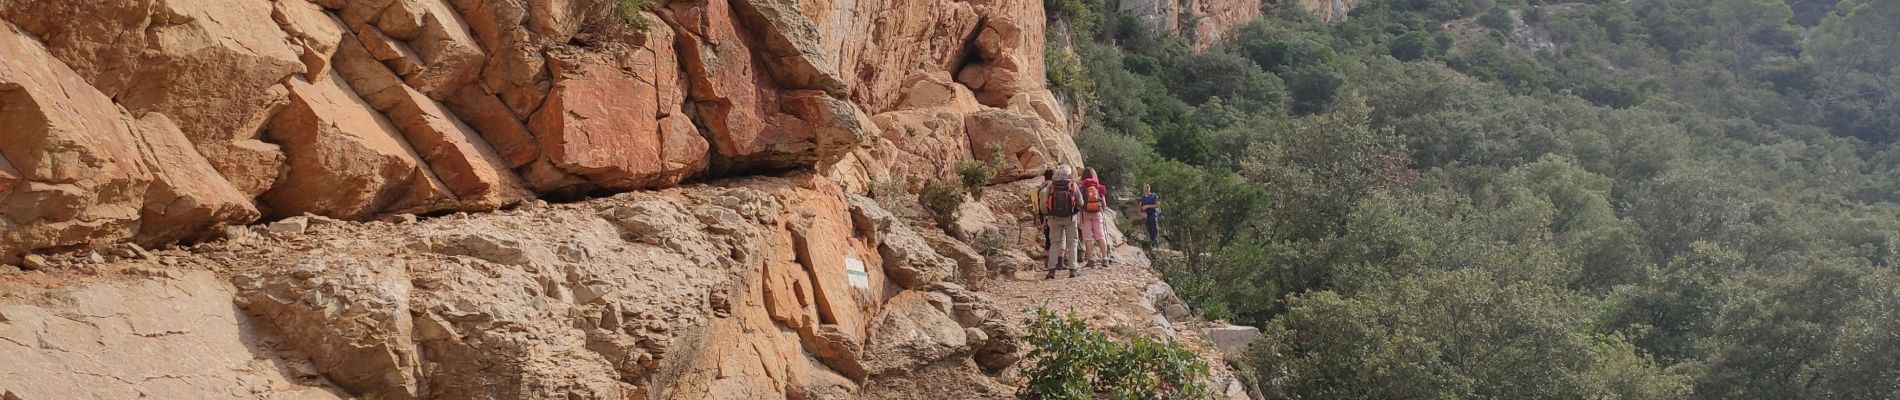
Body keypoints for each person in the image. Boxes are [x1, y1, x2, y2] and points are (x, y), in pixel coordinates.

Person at [1042, 165, 1083, 279]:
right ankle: (1073, 270)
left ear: (1058, 174)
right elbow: (1081, 202)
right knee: (1072, 243)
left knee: (1054, 243)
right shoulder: (1072, 185)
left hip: (1054, 218)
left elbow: (1046, 201)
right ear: (1069, 174)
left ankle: (1051, 271)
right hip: (1070, 218)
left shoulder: (1051, 185)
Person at [1079, 168, 1109, 267]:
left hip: (1085, 213)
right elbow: (1104, 203)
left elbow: (1079, 202)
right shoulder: (1098, 186)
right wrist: (1102, 209)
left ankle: (1091, 260)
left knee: (1087, 237)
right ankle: (1104, 258)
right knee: (1100, 236)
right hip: (1097, 213)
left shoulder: (1082, 187)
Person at [1031, 168, 1054, 256]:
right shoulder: (1053, 185)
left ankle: (1048, 252)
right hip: (1051, 212)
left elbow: (1033, 196)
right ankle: (1054, 255)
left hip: (1042, 213)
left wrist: (1036, 213)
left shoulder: (1041, 186)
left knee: (1047, 233)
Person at [1140, 184, 1160, 249]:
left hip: (1153, 214)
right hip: (1146, 216)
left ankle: (1156, 245)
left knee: (1154, 229)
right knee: (1149, 230)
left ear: (1150, 188)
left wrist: (1147, 206)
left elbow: (1157, 205)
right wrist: (1142, 212)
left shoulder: (1153, 196)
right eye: (1145, 188)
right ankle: (1151, 244)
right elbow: (1140, 207)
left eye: (1148, 188)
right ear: (1143, 189)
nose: (1146, 189)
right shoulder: (1142, 198)